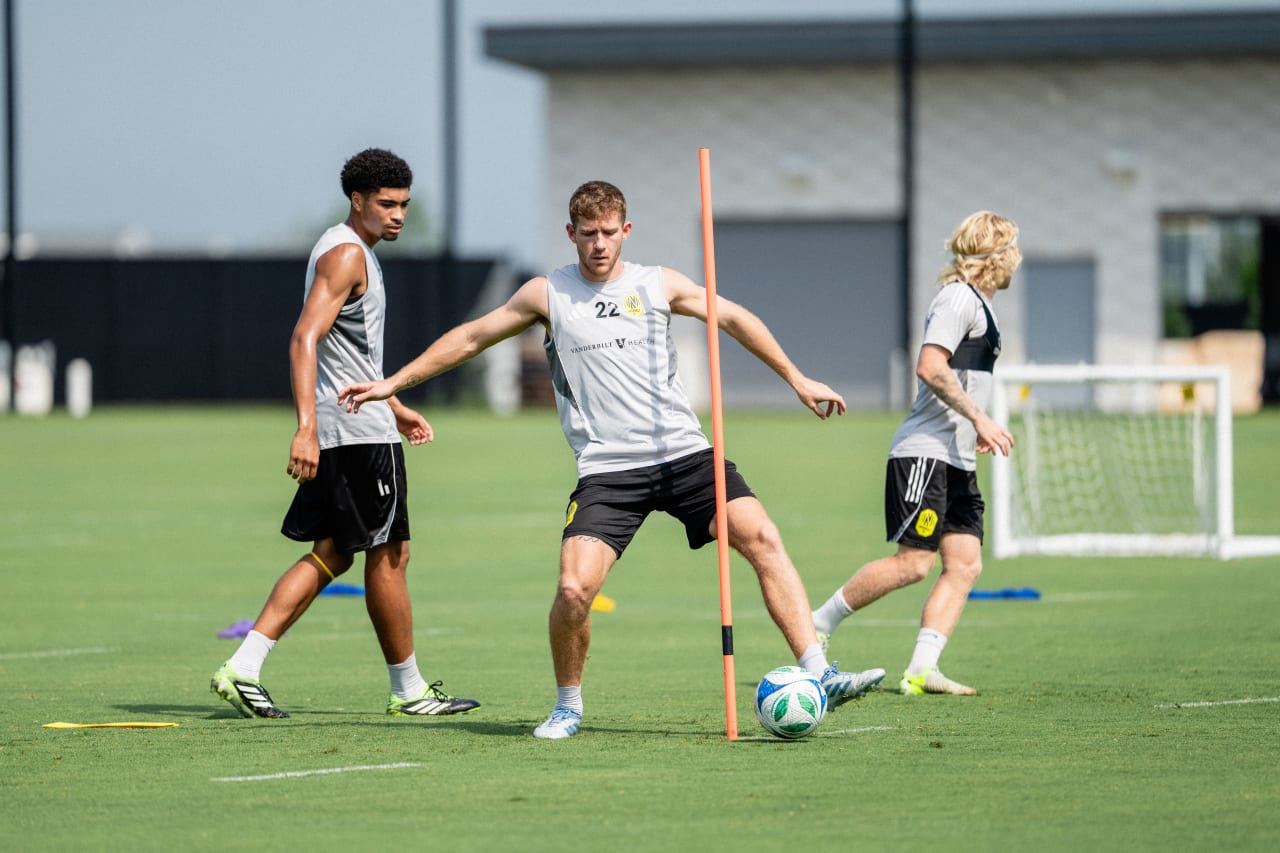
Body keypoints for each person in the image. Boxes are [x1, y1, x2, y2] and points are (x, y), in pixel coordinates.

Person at [338, 180, 885, 739]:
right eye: (588, 234)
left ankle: (819, 673)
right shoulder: (546, 294)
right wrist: (393, 383)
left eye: (609, 232)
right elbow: (472, 338)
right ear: (570, 233)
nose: (599, 244)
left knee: (761, 537)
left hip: (685, 456)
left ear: (626, 230)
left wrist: (796, 378)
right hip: (607, 471)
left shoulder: (657, 284)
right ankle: (568, 705)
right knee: (574, 590)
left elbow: (736, 319)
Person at [211, 148, 479, 719]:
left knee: (333, 553)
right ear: (357, 201)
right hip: (354, 435)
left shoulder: (354, 250)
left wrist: (396, 404)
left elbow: (345, 351)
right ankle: (408, 690)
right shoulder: (345, 254)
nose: (398, 214)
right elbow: (303, 337)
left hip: (360, 421)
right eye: (386, 203)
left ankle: (245, 666)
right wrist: (305, 428)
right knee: (390, 553)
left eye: (404, 204)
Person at [811, 210, 1021, 696]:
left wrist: (974, 430)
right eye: (1012, 249)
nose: (1017, 259)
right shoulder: (956, 299)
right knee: (913, 563)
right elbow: (930, 366)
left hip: (958, 460)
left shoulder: (980, 305)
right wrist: (979, 417)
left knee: (965, 564)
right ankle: (816, 623)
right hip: (924, 454)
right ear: (994, 257)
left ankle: (922, 670)